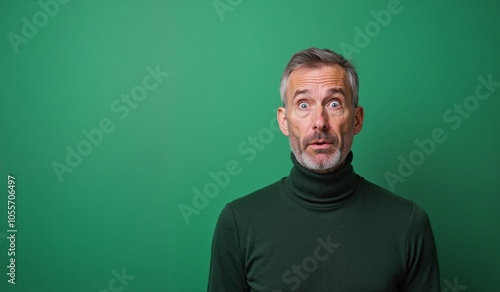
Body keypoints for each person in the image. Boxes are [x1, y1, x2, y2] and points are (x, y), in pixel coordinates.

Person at [207, 47, 440, 291]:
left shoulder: (408, 223)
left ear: (356, 119)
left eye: (334, 103)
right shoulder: (239, 223)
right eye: (304, 104)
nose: (319, 122)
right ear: (284, 121)